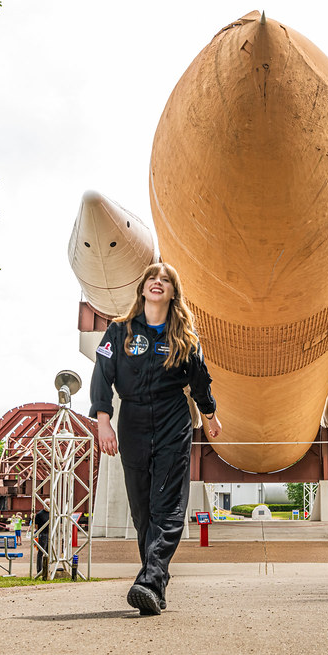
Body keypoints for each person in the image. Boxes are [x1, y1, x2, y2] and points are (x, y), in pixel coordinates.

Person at [89, 262, 221, 616]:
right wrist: (103, 421)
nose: (157, 282)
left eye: (165, 280)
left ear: (173, 292)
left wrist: (210, 416)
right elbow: (102, 374)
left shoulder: (185, 338)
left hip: (172, 419)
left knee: (168, 504)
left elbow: (200, 381)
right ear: (143, 288)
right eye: (152, 278)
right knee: (142, 508)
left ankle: (148, 581)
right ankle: (155, 582)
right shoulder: (119, 331)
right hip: (132, 419)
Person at [34, 499, 50, 575]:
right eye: (47, 504)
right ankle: (39, 570)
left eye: (50, 504)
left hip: (50, 534)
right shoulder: (39, 514)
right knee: (41, 552)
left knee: (48, 552)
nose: (48, 506)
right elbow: (36, 526)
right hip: (43, 534)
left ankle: (47, 569)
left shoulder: (51, 513)